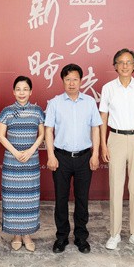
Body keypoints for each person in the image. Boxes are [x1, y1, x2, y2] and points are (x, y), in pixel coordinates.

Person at [99, 48, 134, 251]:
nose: (125, 65)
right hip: (115, 138)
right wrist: (103, 144)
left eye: (129, 62)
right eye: (121, 62)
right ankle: (114, 234)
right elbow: (103, 117)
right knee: (116, 187)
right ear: (115, 66)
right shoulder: (108, 88)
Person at [45, 64, 102, 254]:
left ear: (81, 81)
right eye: (68, 79)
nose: (71, 83)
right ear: (62, 81)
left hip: (84, 157)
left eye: (75, 79)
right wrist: (51, 155)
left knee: (82, 199)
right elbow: (48, 130)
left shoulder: (89, 102)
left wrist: (95, 154)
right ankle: (61, 237)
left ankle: (81, 237)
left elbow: (96, 128)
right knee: (61, 199)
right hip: (61, 157)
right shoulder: (55, 103)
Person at [0, 76, 45, 251]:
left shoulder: (37, 111)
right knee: (12, 199)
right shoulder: (7, 111)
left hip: (31, 160)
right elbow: (0, 136)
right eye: (18, 89)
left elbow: (42, 134)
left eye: (25, 89)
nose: (21, 92)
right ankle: (16, 234)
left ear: (31, 92)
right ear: (13, 92)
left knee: (30, 198)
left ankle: (28, 234)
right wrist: (15, 152)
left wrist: (31, 150)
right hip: (12, 161)